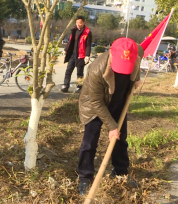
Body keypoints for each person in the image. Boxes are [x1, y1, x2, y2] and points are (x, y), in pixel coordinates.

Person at [76, 37, 142, 196]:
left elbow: (140, 56)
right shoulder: (97, 69)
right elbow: (96, 101)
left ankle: (120, 172)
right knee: (89, 142)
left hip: (118, 101)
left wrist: (137, 79)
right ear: (112, 54)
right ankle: (85, 177)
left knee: (120, 140)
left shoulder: (136, 54)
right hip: (94, 105)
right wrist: (111, 127)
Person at [61, 16, 92, 93]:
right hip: (72, 54)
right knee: (68, 70)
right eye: (77, 22)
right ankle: (65, 85)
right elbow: (70, 42)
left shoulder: (88, 32)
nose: (78, 24)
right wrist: (65, 50)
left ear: (84, 23)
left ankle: (79, 86)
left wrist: (87, 55)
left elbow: (88, 45)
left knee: (79, 72)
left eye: (80, 23)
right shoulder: (74, 30)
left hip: (81, 55)